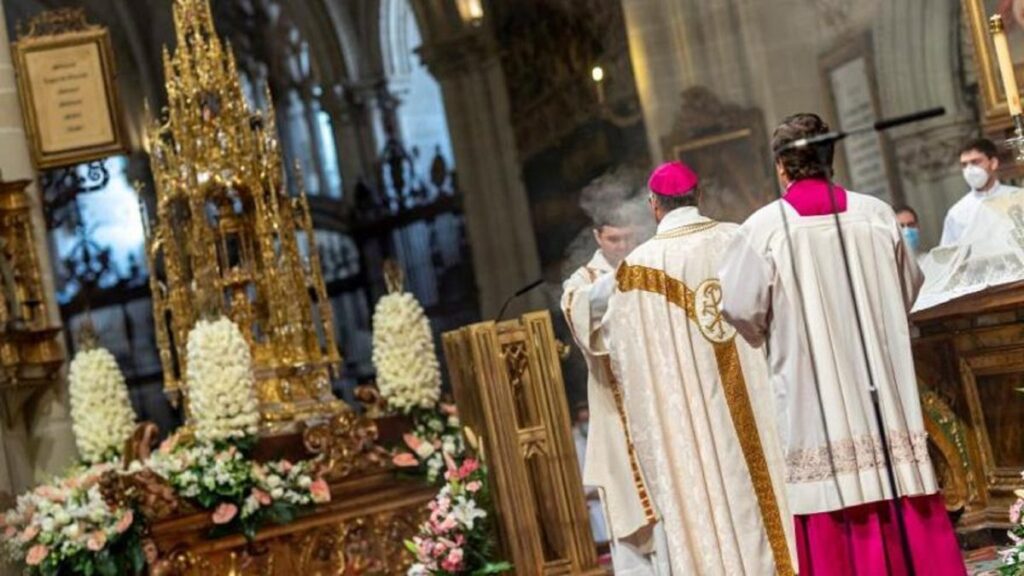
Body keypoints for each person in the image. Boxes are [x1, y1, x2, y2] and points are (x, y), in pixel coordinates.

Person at [719, 113, 965, 575]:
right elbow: (908, 286)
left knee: (832, 486)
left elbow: (740, 309)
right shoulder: (876, 215)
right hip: (882, 387)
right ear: (832, 156)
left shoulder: (763, 229)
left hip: (816, 395)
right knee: (897, 474)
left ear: (781, 166)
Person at [604, 161, 796, 575]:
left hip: (692, 420)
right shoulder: (740, 238)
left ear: (654, 205)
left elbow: (621, 351)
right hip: (762, 403)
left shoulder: (637, 271)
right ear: (699, 195)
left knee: (711, 488)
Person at [560, 172, 668, 575]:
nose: (624, 248)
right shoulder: (581, 283)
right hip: (618, 419)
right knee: (634, 538)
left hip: (662, 412)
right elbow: (583, 315)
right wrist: (625, 277)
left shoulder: (651, 265)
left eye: (629, 239)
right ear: (596, 236)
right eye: (613, 240)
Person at [941, 137, 1022, 246]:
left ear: (993, 163)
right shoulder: (956, 213)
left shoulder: (1018, 198)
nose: (969, 170)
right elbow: (950, 256)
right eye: (964, 165)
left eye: (975, 162)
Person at [569, 403, 610, 551]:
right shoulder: (574, 444)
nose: (586, 425)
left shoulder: (600, 438)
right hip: (588, 502)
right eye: (583, 421)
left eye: (588, 420)